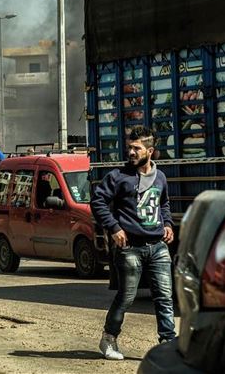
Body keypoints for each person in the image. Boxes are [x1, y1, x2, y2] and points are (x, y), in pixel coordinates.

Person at [90, 126, 175, 360]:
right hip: (130, 249)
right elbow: (97, 201)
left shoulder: (160, 177)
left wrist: (167, 223)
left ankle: (168, 344)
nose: (131, 152)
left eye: (136, 148)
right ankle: (108, 339)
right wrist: (114, 227)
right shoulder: (117, 176)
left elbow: (163, 203)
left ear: (150, 151)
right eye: (129, 147)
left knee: (165, 297)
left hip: (158, 246)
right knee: (126, 297)